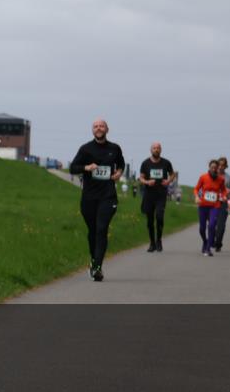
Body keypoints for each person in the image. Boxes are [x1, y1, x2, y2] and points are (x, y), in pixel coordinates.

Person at [69, 119, 125, 281]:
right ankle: (94, 261)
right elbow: (73, 168)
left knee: (101, 229)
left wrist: (119, 173)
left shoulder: (114, 148)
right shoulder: (85, 149)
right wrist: (86, 167)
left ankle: (98, 268)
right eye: (95, 126)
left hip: (108, 197)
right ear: (92, 130)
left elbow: (121, 164)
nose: (99, 128)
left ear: (107, 129)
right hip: (89, 198)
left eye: (101, 126)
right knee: (93, 231)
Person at [138, 142, 176, 252]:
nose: (156, 150)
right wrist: (147, 182)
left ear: (161, 150)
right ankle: (152, 243)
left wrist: (168, 180)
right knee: (150, 220)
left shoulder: (166, 163)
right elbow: (141, 178)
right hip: (149, 194)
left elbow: (172, 174)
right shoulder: (145, 163)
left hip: (161, 194)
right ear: (151, 150)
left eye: (158, 148)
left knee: (159, 217)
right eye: (154, 148)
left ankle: (159, 240)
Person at [193, 160, 227, 257]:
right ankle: (205, 241)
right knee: (202, 229)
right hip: (203, 206)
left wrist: (224, 196)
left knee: (212, 226)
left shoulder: (221, 179)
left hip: (214, 206)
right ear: (209, 167)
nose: (213, 169)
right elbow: (196, 189)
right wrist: (196, 197)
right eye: (212, 167)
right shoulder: (203, 177)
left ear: (217, 168)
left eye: (215, 167)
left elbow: (224, 190)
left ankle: (208, 249)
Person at [213, 156, 230, 252]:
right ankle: (213, 240)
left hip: (224, 204)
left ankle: (218, 243)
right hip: (212, 203)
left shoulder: (229, 178)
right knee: (212, 224)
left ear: (226, 166)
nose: (221, 167)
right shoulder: (212, 175)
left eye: (223, 165)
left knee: (221, 225)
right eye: (219, 165)